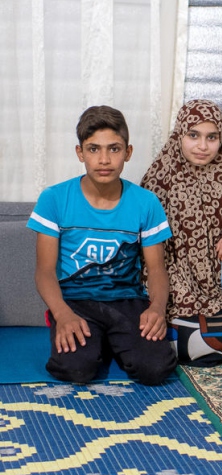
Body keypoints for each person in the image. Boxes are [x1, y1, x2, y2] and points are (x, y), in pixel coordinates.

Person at [28, 105, 177, 385]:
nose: (104, 159)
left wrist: (157, 308)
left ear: (128, 153)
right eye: (94, 149)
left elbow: (157, 270)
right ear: (80, 153)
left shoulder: (146, 203)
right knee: (76, 370)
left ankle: (111, 339)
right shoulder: (54, 199)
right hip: (74, 301)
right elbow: (44, 271)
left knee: (155, 370)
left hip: (127, 300)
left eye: (114, 149)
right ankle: (96, 339)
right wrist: (62, 315)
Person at [141, 99, 222, 367]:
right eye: (193, 135)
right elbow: (144, 246)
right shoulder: (159, 177)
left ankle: (183, 341)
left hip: (221, 288)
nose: (203, 146)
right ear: (180, 134)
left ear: (220, 139)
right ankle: (179, 338)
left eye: (211, 137)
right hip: (173, 286)